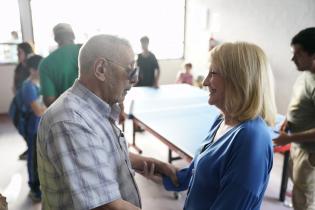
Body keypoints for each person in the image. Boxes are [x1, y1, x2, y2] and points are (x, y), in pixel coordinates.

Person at [37, 34, 177, 210]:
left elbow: (104, 153)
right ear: (101, 69)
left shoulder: (96, 109)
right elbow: (108, 206)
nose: (135, 79)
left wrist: (157, 165)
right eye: (130, 70)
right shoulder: (71, 122)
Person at [160, 42, 277, 210]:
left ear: (238, 79)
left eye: (213, 73)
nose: (205, 82)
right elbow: (194, 174)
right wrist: (152, 166)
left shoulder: (251, 139)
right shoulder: (221, 120)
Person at [273, 27, 315, 210]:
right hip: (298, 144)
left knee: (304, 198)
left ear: (313, 55)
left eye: (298, 54)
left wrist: (289, 139)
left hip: (310, 151)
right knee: (298, 189)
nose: (292, 59)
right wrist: (288, 120)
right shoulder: (305, 75)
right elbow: (300, 104)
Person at [20, 54, 45, 202]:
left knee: (39, 160)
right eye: (39, 68)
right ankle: (34, 189)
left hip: (41, 128)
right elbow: (38, 111)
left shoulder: (39, 82)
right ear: (32, 69)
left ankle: (39, 186)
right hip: (33, 130)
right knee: (33, 160)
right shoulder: (28, 86)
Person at [39, 23, 81, 107]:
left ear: (56, 39)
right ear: (73, 35)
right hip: (95, 113)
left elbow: (49, 100)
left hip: (67, 114)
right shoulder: (88, 50)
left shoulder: (46, 63)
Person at [8, 42, 34, 160]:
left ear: (26, 52)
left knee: (30, 126)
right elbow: (15, 85)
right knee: (18, 121)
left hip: (30, 101)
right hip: (19, 100)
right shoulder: (19, 67)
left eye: (19, 52)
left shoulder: (32, 65)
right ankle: (30, 146)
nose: (18, 55)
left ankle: (33, 148)